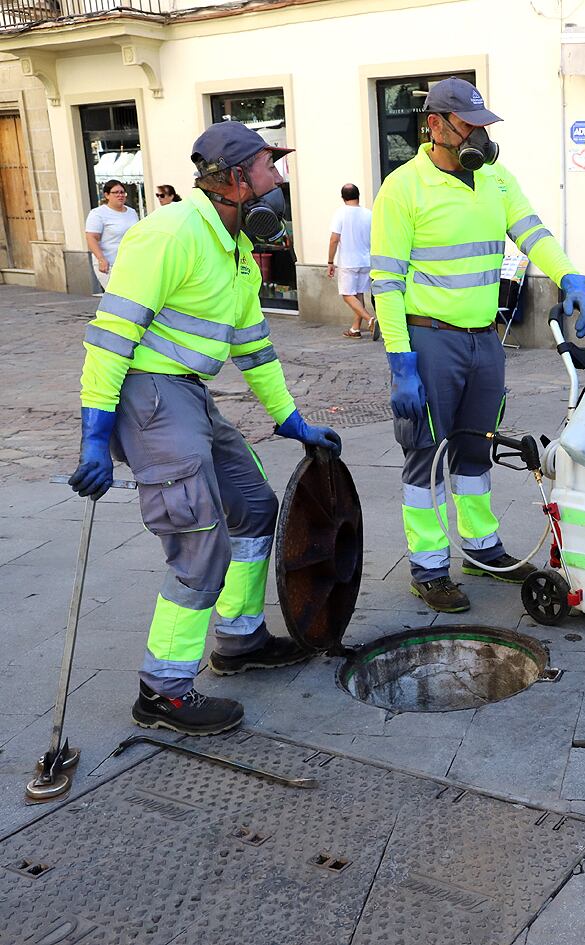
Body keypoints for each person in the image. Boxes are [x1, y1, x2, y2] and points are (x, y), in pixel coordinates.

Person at [67, 121, 342, 735]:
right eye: (271, 166)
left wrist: (291, 421)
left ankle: (240, 641)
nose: (279, 177)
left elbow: (255, 349)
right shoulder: (167, 233)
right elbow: (112, 336)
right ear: (239, 179)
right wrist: (95, 432)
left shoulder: (237, 247)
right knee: (199, 541)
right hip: (151, 393)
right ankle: (162, 691)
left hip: (190, 393)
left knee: (253, 507)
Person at [370, 77, 585, 614]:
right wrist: (401, 362)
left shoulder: (494, 178)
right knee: (425, 455)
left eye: (483, 125)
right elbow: (385, 283)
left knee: (477, 447)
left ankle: (480, 548)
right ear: (436, 126)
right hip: (429, 339)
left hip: (484, 340)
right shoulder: (402, 189)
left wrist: (571, 277)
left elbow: (533, 232)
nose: (481, 135)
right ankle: (428, 567)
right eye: (470, 125)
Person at [327, 183, 375, 339]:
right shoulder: (369, 214)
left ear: (342, 198)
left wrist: (330, 262)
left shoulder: (340, 214)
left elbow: (334, 239)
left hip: (348, 261)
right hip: (366, 261)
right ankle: (355, 329)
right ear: (358, 195)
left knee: (347, 294)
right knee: (358, 294)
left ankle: (370, 319)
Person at [84, 179, 138, 289]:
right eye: (116, 192)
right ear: (107, 195)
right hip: (110, 263)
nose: (120, 195)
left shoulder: (131, 212)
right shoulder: (98, 214)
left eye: (122, 192)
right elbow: (91, 238)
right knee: (117, 296)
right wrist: (101, 259)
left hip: (130, 263)